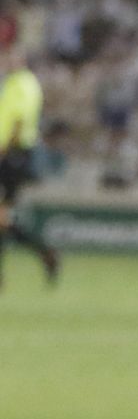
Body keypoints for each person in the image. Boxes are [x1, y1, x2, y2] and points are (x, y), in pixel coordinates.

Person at [0, 44, 59, 289]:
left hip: (13, 155)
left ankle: (46, 252)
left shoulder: (24, 83)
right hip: (11, 154)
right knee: (2, 218)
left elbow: (19, 120)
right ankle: (45, 253)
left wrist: (4, 151)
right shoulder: (14, 82)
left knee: (2, 217)